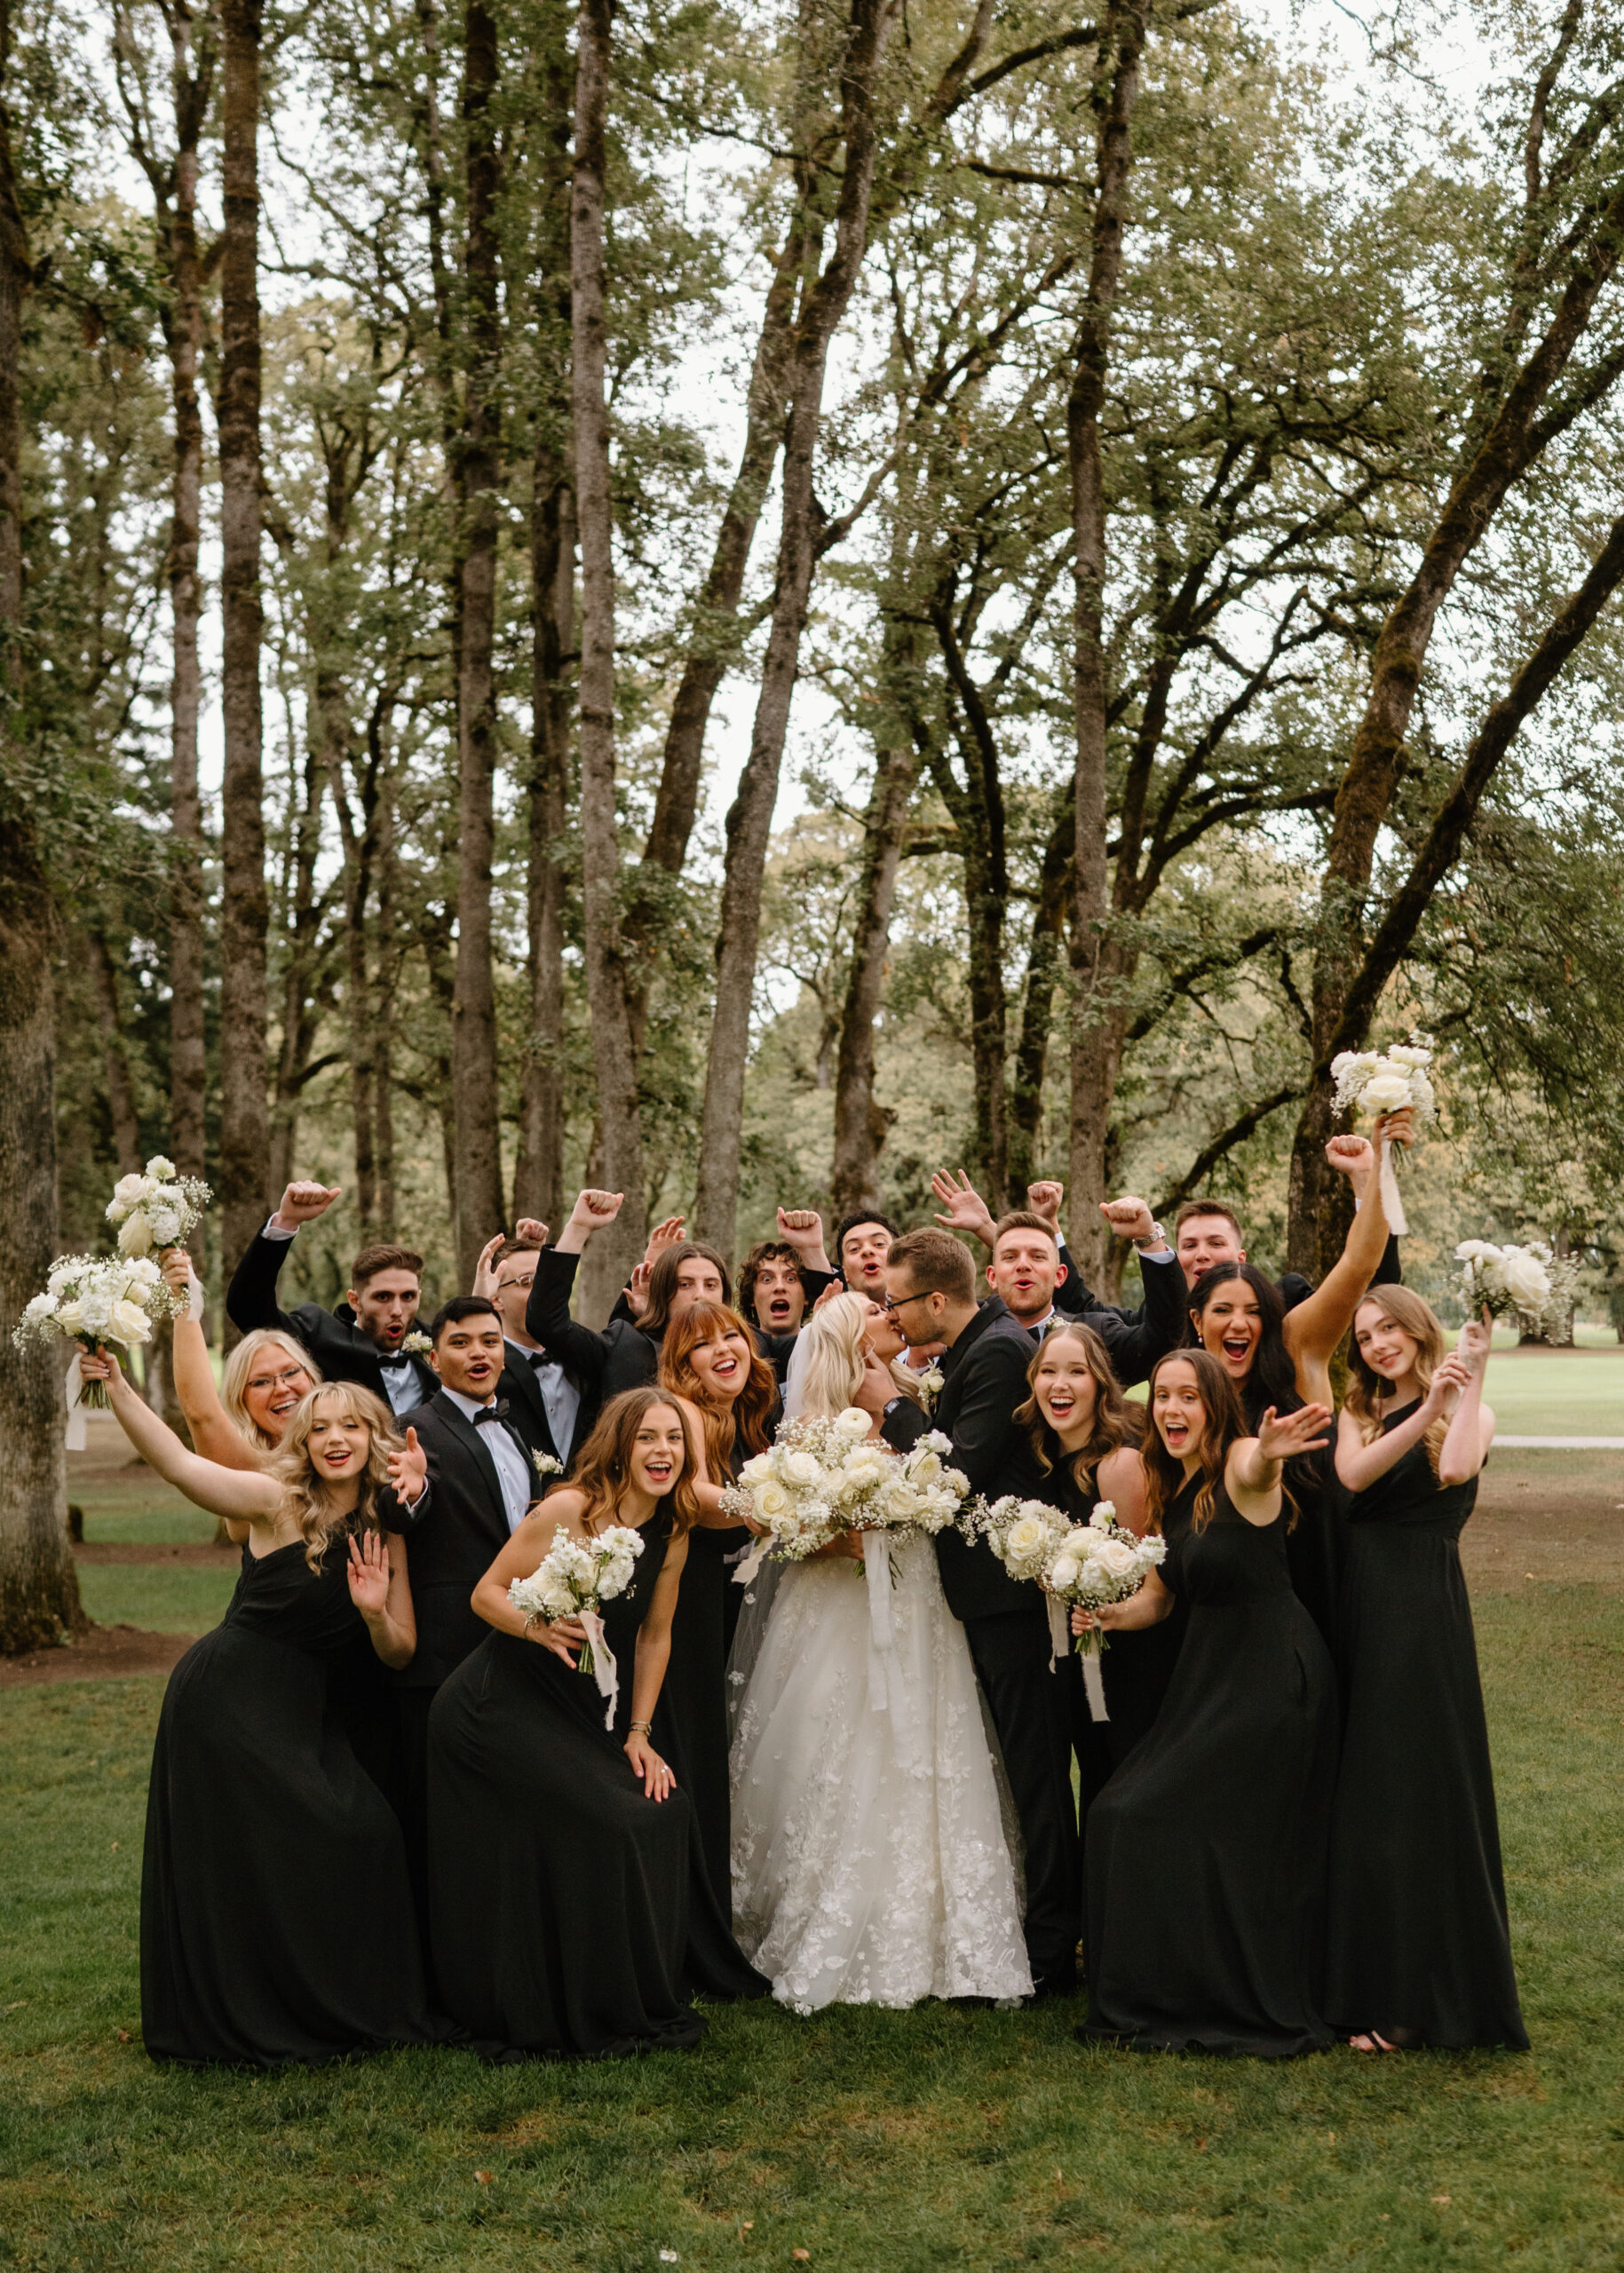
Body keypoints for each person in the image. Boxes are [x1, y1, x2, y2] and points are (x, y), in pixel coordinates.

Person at [78, 1350, 439, 2068]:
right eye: (319, 1429)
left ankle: (336, 2004)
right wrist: (116, 1386)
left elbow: (399, 1650)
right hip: (228, 1698)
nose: (335, 1439)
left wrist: (371, 1613)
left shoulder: (386, 1525)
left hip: (305, 1709)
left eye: (351, 1427)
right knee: (268, 1852)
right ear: (302, 1444)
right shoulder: (277, 1503)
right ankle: (249, 2011)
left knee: (365, 1833)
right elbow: (183, 1467)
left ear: (374, 1437)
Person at [427, 1389, 767, 2058]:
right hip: (495, 1705)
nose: (662, 1451)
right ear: (619, 1445)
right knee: (614, 1821)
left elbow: (653, 1638)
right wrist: (535, 1625)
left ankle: (629, 1989)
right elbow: (485, 1594)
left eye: (674, 1439)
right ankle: (579, 2001)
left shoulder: (671, 1530)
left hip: (581, 1712)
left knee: (659, 1810)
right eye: (646, 1438)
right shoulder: (568, 1509)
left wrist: (639, 1737)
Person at [730, 1291, 1033, 2012]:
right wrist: (834, 1529)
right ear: (846, 1339)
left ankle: (941, 1924)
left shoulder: (913, 1397)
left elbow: (948, 1469)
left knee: (929, 1743)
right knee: (831, 1741)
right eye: (874, 1308)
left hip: (918, 1597)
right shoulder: (809, 1428)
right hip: (835, 1604)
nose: (890, 1312)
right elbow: (786, 1524)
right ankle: (824, 1906)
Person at [1078, 1350, 1338, 2057]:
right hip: (1213, 1678)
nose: (1171, 1409)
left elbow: (1257, 1467)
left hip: (1271, 1680)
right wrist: (1106, 1614)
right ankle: (1166, 1985)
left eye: (1188, 1396)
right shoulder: (1175, 1485)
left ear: (1216, 1405)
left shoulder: (1239, 1464)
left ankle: (1205, 1991)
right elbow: (1160, 1597)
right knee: (1115, 1812)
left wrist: (1271, 1452)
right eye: (1161, 1395)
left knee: (1141, 1814)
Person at [861, 1228, 1077, 1999]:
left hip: (1010, 1600)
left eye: (898, 1303)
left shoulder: (993, 1353)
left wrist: (889, 1405)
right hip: (989, 1600)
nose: (894, 1314)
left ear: (937, 1301)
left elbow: (953, 1474)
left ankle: (1052, 1948)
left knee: (1038, 1771)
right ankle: (1046, 1927)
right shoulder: (978, 1346)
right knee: (1026, 1769)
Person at [1324, 1293, 1527, 2052]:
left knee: (1417, 1793)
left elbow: (1454, 1464)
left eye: (1389, 1329)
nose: (1377, 1345)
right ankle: (1363, 1984)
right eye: (1365, 1335)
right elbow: (1352, 1475)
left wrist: (1468, 1378)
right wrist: (1424, 1403)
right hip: (1359, 1610)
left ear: (1417, 1329)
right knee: (1368, 1796)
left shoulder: (1470, 1408)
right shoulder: (1357, 1409)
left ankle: (1418, 2001)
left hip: (1421, 1616)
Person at [1182, 1126, 1398, 1651]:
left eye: (1254, 1312)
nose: (1240, 1324)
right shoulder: (1182, 1384)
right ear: (1197, 1321)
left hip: (1316, 1573)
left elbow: (1360, 1263)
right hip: (1227, 1600)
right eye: (1224, 1312)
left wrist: (1370, 1172)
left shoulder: (1295, 1345)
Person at [386, 1296, 544, 1940]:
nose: (479, 1353)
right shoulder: (413, 1429)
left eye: (490, 1340)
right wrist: (417, 1488)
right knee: (445, 1813)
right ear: (435, 1354)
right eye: (462, 1343)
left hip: (518, 1639)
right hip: (448, 1652)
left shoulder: (514, 1426)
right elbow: (395, 1516)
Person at [655, 1301, 781, 1920]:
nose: (724, 1350)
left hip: (732, 1596)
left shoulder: (746, 1417)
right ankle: (691, 1909)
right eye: (703, 1344)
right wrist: (767, 1502)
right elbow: (695, 1496)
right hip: (686, 1604)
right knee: (696, 1747)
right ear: (682, 1363)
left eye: (732, 1335)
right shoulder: (679, 1410)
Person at [1017, 1322, 1165, 1784]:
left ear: (1100, 1383)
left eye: (1076, 1372)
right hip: (1081, 1661)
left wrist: (1109, 1610)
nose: (1059, 1385)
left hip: (1132, 1661)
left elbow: (1152, 1578)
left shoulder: (1119, 1464)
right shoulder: (1040, 1460)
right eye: (1048, 1372)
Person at [527, 1191, 833, 1393]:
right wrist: (579, 1228)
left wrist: (812, 1250)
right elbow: (546, 1322)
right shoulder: (622, 1346)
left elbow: (834, 1337)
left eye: (711, 1285)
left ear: (725, 1298)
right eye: (685, 1284)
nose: (700, 1294)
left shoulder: (756, 1348)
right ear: (665, 1294)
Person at [226, 1179, 435, 1419]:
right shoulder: (318, 1337)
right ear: (355, 1301)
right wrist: (286, 1221)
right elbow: (247, 1306)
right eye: (383, 1297)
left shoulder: (436, 1341)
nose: (397, 1309)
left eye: (407, 1296)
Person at [471, 1224, 592, 1471]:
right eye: (527, 1282)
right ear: (496, 1298)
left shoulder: (585, 1356)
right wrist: (477, 1305)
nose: (543, 1293)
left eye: (547, 1282)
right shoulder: (484, 1369)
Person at [739, 1238, 816, 1342]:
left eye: (790, 1279)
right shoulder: (736, 1353)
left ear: (806, 1296)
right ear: (751, 1296)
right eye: (767, 1279)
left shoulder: (824, 1350)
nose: (779, 1287)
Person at [834, 1210, 899, 1299]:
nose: (867, 1251)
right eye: (854, 1249)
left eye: (879, 1244)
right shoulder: (832, 1312)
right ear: (845, 1273)